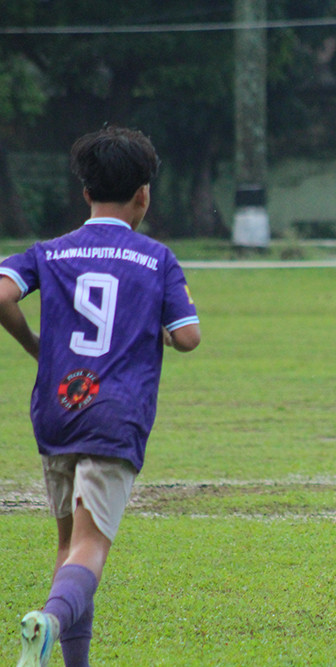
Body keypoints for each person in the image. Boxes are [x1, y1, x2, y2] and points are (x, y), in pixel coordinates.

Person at [0, 126, 201, 667]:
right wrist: (150, 329)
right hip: (114, 415)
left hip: (56, 412)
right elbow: (187, 336)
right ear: (144, 194)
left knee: (69, 549)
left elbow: (0, 292)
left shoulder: (50, 251)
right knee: (90, 550)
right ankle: (49, 620)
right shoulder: (155, 258)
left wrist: (36, 346)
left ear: (85, 193)